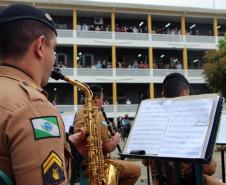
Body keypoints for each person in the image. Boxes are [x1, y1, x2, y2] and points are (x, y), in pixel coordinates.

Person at [0, 4, 87, 185]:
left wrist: (68, 149)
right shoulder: (34, 108)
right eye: (54, 48)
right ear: (40, 46)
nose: (54, 57)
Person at [142, 72, 223, 185]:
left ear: (162, 94)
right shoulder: (190, 125)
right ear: (185, 94)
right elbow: (210, 169)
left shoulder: (154, 124)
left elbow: (145, 161)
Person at [73, 85, 141, 185]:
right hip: (97, 165)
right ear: (96, 99)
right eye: (102, 99)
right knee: (135, 170)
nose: (102, 102)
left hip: (84, 164)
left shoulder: (80, 113)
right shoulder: (97, 114)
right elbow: (107, 147)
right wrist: (116, 138)